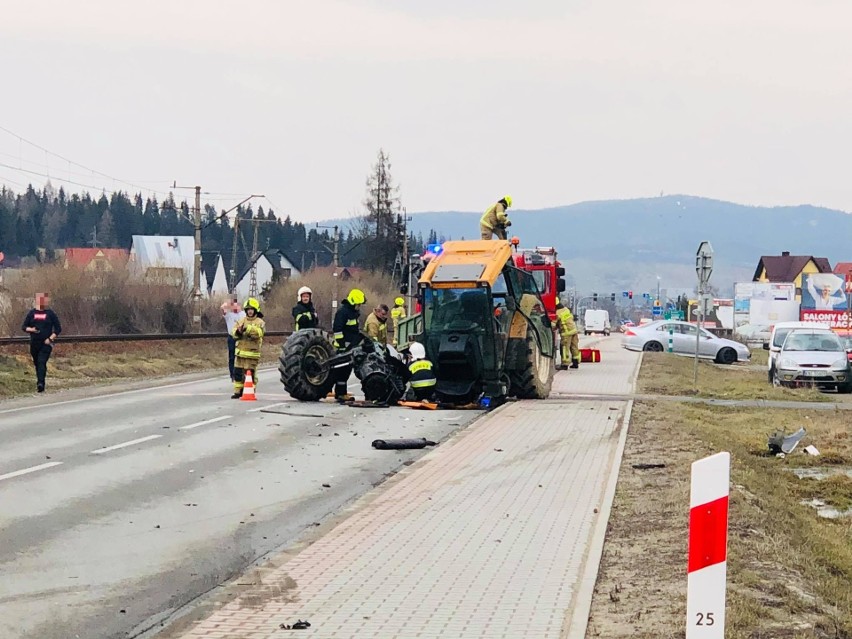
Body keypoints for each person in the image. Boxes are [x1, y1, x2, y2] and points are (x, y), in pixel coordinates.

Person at [21, 292, 61, 393]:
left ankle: (41, 383)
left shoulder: (50, 314)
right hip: (34, 343)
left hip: (46, 343)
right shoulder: (31, 313)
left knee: (41, 361)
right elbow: (24, 327)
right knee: (37, 363)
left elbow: (58, 329)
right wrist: (31, 330)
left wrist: (51, 339)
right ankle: (40, 378)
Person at [332, 289, 366, 400]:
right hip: (343, 347)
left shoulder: (352, 312)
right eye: (358, 304)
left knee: (346, 370)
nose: (359, 306)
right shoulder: (343, 312)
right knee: (342, 371)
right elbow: (337, 329)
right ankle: (341, 394)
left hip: (350, 346)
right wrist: (342, 345)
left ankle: (341, 392)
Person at [231, 298, 265, 399]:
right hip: (240, 354)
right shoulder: (241, 321)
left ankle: (251, 390)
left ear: (256, 310)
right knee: (237, 373)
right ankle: (238, 391)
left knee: (250, 373)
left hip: (252, 354)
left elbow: (259, 333)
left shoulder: (260, 322)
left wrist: (248, 328)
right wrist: (238, 332)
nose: (250, 311)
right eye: (248, 309)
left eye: (252, 309)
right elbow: (233, 333)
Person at [221, 297, 245, 381]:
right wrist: (229, 303)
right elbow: (223, 308)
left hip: (241, 337)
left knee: (241, 355)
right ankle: (232, 374)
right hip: (232, 337)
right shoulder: (229, 315)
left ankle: (241, 373)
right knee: (232, 357)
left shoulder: (243, 314)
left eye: (237, 305)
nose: (236, 307)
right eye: (233, 306)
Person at [555, 300, 580, 369]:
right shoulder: (566, 309)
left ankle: (564, 365)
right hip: (574, 330)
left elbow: (553, 324)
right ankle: (576, 362)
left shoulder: (557, 313)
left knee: (564, 348)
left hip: (567, 333)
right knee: (574, 347)